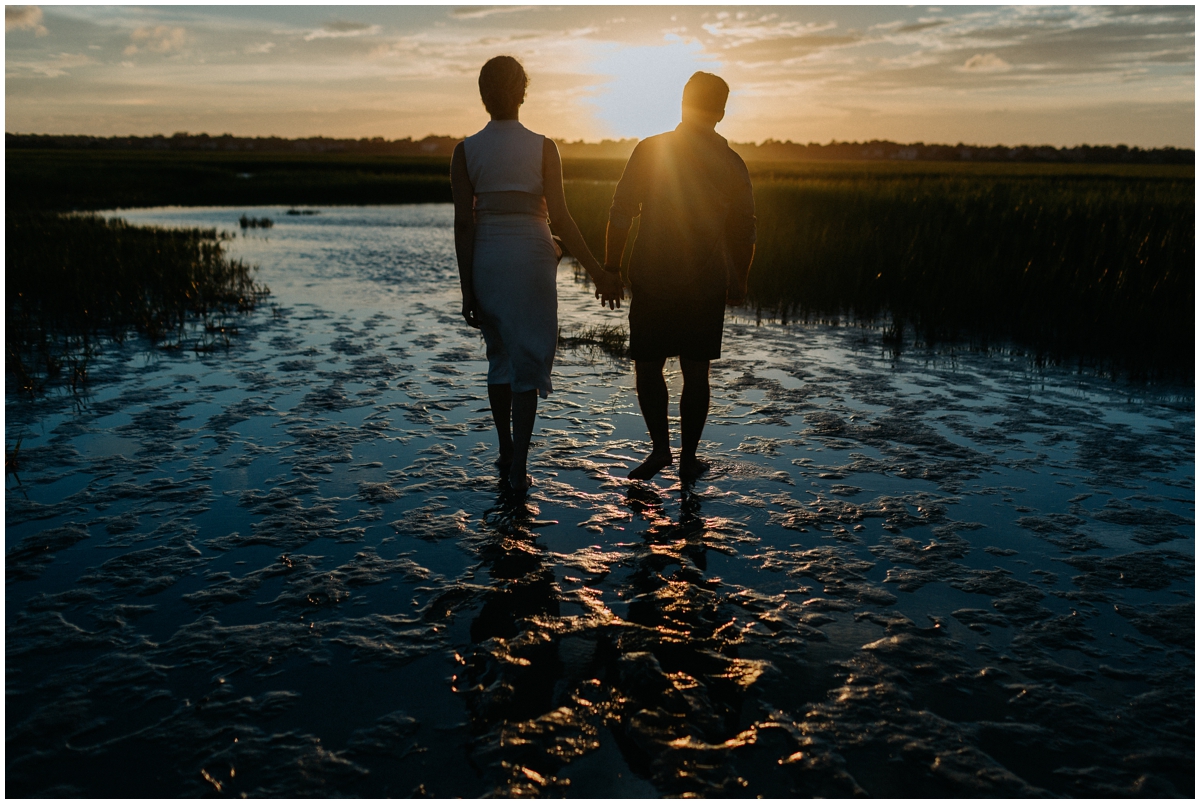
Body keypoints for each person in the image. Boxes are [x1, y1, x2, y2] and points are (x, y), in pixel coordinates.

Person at [452, 55, 622, 492]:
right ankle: (519, 463)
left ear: (483, 94)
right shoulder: (545, 147)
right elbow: (561, 218)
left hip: (488, 257)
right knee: (527, 357)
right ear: (522, 93)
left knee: (500, 355)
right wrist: (599, 272)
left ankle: (505, 448)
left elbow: (464, 224)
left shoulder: (464, 150)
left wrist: (467, 290)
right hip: (531, 253)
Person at [602, 71, 756, 482]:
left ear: (683, 102)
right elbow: (745, 231)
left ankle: (661, 451)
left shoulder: (651, 149)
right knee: (696, 370)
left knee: (649, 367)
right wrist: (739, 279)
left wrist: (612, 268)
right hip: (704, 284)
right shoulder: (731, 162)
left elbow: (620, 212)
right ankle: (686, 458)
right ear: (721, 112)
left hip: (652, 277)